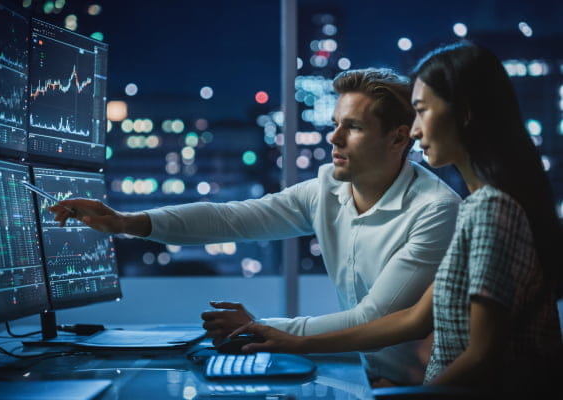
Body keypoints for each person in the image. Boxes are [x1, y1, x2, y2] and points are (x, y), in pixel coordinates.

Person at [49, 68, 461, 385]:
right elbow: (233, 217)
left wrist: (259, 328)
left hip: (416, 387)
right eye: (334, 123)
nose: (333, 138)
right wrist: (127, 222)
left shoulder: (436, 210)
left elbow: (374, 318)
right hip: (354, 372)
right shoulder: (326, 189)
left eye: (352, 127)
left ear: (397, 138)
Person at [230, 42, 563, 396]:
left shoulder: (490, 210)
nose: (415, 130)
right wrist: (292, 342)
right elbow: (413, 319)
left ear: (464, 112)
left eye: (421, 111)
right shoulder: (476, 208)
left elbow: (482, 355)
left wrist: (417, 395)